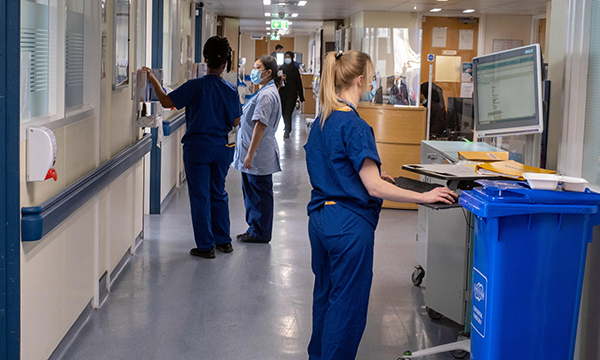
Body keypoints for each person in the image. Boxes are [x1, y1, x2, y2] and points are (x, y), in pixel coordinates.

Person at [304, 50, 457, 360]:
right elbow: (374, 187)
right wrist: (424, 196)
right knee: (346, 308)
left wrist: (367, 176)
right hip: (347, 227)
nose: (371, 84)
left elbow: (334, 168)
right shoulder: (355, 126)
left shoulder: (322, 121)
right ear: (360, 80)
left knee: (325, 297)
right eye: (371, 79)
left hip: (321, 220)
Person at [143, 36, 242, 259]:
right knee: (218, 192)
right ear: (225, 63)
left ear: (205, 60)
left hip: (198, 148)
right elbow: (236, 121)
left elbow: (168, 102)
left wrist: (153, 81)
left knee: (200, 196)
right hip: (222, 147)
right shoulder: (231, 89)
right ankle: (224, 241)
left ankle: (206, 246)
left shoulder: (195, 86)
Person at [232, 55, 282, 243]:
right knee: (252, 193)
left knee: (259, 194)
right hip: (254, 153)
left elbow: (260, 125)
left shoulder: (267, 95)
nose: (253, 71)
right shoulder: (264, 91)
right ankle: (254, 228)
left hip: (257, 155)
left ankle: (260, 232)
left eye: (257, 68)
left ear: (268, 72)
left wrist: (250, 154)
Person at [279, 51, 305, 139]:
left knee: (288, 112)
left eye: (288, 57)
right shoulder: (281, 68)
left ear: (292, 58)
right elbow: (277, 80)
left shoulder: (295, 70)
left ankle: (287, 130)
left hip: (292, 94)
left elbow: (299, 83)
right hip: (282, 93)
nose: (287, 59)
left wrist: (301, 96)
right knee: (283, 111)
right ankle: (286, 126)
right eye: (285, 57)